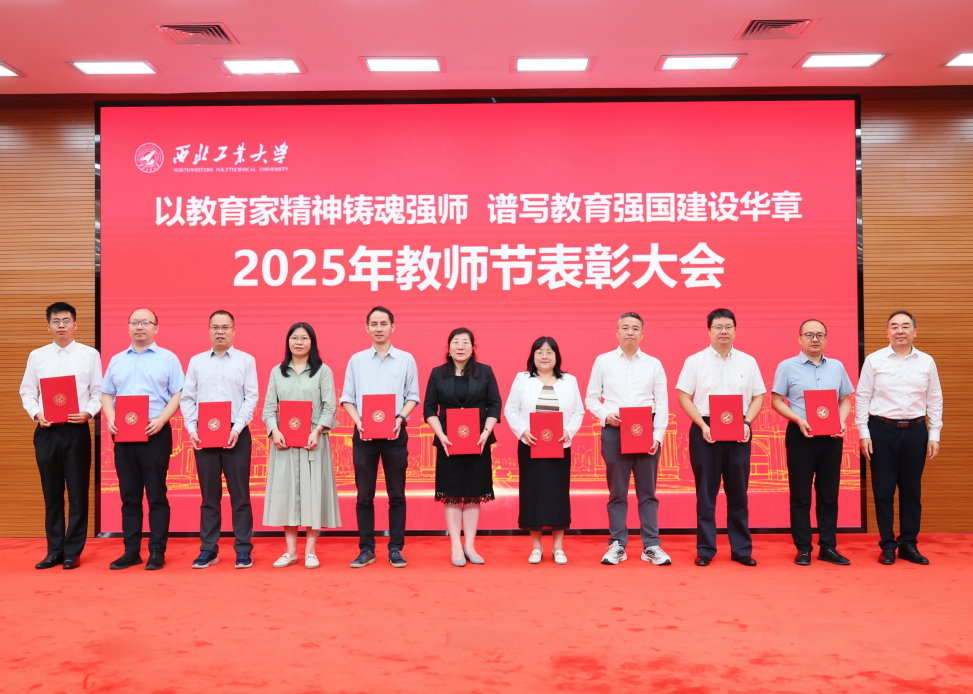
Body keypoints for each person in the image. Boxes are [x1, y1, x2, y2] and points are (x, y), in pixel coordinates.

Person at [676, 308, 765, 567]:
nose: (723, 331)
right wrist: (701, 424)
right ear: (709, 331)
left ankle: (742, 549)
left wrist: (747, 422)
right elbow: (684, 396)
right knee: (706, 494)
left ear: (735, 330)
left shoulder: (748, 361)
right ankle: (705, 549)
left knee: (738, 493)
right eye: (718, 327)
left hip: (739, 431)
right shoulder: (695, 361)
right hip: (705, 430)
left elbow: (759, 396)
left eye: (728, 326)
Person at [19, 302, 102, 570]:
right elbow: (27, 390)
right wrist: (36, 413)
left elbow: (98, 392)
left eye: (66, 321)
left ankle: (72, 551)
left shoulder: (90, 355)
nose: (61, 325)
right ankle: (54, 550)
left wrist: (89, 413)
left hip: (76, 430)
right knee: (52, 493)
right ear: (49, 326)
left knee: (78, 493)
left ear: (75, 324)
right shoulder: (37, 356)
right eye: (56, 321)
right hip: (47, 431)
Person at [585, 312, 672, 567]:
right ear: (617, 333)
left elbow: (662, 402)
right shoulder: (603, 361)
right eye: (625, 328)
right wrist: (605, 414)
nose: (630, 332)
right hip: (615, 430)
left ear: (643, 334)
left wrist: (658, 436)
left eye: (635, 328)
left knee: (648, 492)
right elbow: (591, 397)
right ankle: (617, 544)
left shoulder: (654, 364)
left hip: (646, 432)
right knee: (617, 492)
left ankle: (651, 545)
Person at [856, 310, 943, 566]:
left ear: (915, 331)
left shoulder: (926, 361)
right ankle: (887, 545)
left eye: (905, 326)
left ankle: (908, 544)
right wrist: (864, 433)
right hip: (881, 430)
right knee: (883, 491)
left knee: (911, 490)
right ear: (887, 332)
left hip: (916, 431)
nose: (900, 331)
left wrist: (934, 434)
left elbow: (935, 399)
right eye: (894, 326)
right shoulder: (874, 360)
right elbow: (862, 398)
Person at [101, 308, 184, 570]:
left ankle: (157, 550)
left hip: (154, 432)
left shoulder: (168, 358)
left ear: (155, 328)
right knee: (129, 495)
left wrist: (161, 420)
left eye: (145, 322)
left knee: (157, 494)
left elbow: (178, 394)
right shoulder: (117, 360)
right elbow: (107, 393)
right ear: (128, 327)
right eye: (134, 322)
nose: (139, 327)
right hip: (124, 434)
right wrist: (110, 418)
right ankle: (131, 550)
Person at [340, 306, 420, 569]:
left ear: (392, 327)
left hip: (395, 434)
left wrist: (399, 418)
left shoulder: (406, 359)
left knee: (397, 494)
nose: (378, 328)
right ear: (367, 328)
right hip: (364, 436)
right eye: (373, 324)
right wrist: (359, 422)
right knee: (364, 496)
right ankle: (366, 549)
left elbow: (412, 396)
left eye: (383, 323)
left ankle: (396, 548)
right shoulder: (356, 360)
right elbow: (347, 398)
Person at [771, 319, 855, 566]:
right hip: (801, 435)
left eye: (820, 335)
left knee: (829, 494)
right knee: (801, 494)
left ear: (826, 339)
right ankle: (803, 547)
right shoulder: (787, 366)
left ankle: (828, 546)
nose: (815, 339)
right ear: (799, 338)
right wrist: (798, 419)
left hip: (831, 437)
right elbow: (776, 400)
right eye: (809, 334)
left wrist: (841, 421)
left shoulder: (837, 366)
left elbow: (845, 399)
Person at [180, 310, 260, 570]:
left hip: (237, 434)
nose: (220, 331)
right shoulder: (196, 362)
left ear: (234, 331)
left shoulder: (246, 360)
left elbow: (251, 397)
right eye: (215, 327)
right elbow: (187, 398)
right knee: (209, 496)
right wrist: (192, 428)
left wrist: (237, 428)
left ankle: (243, 549)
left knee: (240, 495)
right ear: (208, 331)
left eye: (225, 327)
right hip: (204, 435)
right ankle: (208, 549)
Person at [262, 323, 341, 569]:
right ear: (288, 342)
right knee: (286, 494)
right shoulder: (277, 372)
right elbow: (268, 408)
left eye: (304, 338)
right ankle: (290, 552)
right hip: (284, 444)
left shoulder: (323, 371)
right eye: (294, 338)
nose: (298, 342)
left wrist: (317, 431)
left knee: (312, 492)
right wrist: (274, 431)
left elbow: (330, 406)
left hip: (312, 442)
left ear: (312, 342)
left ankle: (310, 551)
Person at [424, 328, 502, 566]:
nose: (460, 346)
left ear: (472, 348)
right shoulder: (437, 374)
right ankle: (455, 546)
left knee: (473, 495)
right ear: (448, 348)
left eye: (465, 342)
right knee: (451, 495)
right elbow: (429, 409)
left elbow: (495, 405)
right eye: (455, 342)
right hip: (449, 443)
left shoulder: (485, 372)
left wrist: (485, 432)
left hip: (478, 442)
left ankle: (470, 545)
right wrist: (441, 434)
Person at [505, 336, 584, 565]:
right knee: (533, 494)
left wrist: (569, 430)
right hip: (530, 446)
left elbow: (578, 411)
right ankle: (536, 547)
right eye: (539, 352)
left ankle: (558, 547)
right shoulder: (522, 379)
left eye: (549, 352)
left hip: (559, 445)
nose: (544, 356)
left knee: (558, 494)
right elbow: (510, 409)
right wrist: (523, 431)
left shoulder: (569, 381)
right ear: (533, 356)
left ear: (557, 356)